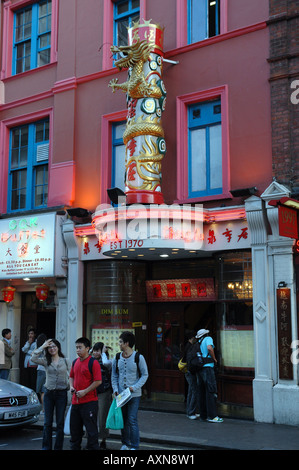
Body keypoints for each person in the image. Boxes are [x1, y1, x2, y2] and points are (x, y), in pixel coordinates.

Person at [111, 331, 148, 450]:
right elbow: (114, 375)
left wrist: (135, 387)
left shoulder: (138, 357)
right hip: (121, 395)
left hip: (134, 395)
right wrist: (115, 390)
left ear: (126, 343)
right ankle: (125, 444)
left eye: (120, 341)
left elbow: (145, 375)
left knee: (132, 420)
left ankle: (135, 446)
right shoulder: (117, 357)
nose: (119, 344)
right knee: (124, 420)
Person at [32, 338, 71, 450]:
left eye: (54, 346)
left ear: (58, 347)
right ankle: (46, 447)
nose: (52, 349)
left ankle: (58, 447)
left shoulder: (65, 360)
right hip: (49, 394)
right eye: (49, 347)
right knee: (47, 423)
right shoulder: (45, 360)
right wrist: (43, 346)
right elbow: (33, 358)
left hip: (61, 394)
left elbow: (71, 375)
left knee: (59, 423)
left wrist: (70, 386)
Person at [69, 337, 102, 450]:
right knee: (75, 432)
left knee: (91, 431)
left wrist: (85, 391)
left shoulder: (93, 363)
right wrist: (71, 387)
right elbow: (71, 376)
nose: (78, 350)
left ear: (87, 348)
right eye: (76, 348)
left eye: (80, 347)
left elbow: (98, 381)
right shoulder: (75, 362)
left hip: (89, 402)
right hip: (75, 402)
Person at [195, 329, 223, 423]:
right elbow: (210, 348)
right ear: (206, 333)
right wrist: (214, 359)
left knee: (202, 392)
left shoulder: (198, 341)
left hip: (200, 368)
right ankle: (212, 416)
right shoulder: (208, 338)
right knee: (211, 391)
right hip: (208, 368)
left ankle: (203, 415)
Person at [92, 342, 112, 450]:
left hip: (104, 393)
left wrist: (103, 353)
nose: (95, 353)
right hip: (92, 393)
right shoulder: (90, 361)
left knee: (102, 418)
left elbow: (105, 363)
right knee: (91, 418)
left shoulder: (107, 362)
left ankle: (103, 440)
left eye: (97, 350)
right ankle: (92, 440)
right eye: (94, 350)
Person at [182, 331, 200, 419]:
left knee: (191, 391)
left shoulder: (186, 346)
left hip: (187, 371)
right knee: (194, 391)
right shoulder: (190, 347)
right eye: (194, 338)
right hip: (190, 371)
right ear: (191, 338)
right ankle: (191, 412)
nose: (195, 340)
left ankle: (190, 411)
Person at [35, 334, 47, 412]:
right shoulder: (47, 348)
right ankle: (44, 408)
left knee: (41, 391)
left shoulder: (39, 349)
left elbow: (33, 355)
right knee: (43, 390)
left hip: (41, 370)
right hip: (46, 370)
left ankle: (43, 408)